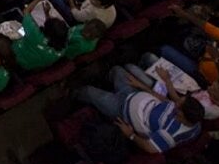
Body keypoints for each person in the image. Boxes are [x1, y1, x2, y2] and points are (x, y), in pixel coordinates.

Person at [75, 65, 205, 153]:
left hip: (122, 110)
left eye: (178, 107)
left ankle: (71, 94)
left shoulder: (171, 135)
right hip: (133, 93)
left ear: (182, 116)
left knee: (88, 91)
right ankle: (100, 80)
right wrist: (141, 86)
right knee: (117, 70)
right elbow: (165, 101)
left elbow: (150, 148)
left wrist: (131, 135)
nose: (175, 104)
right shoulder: (195, 120)